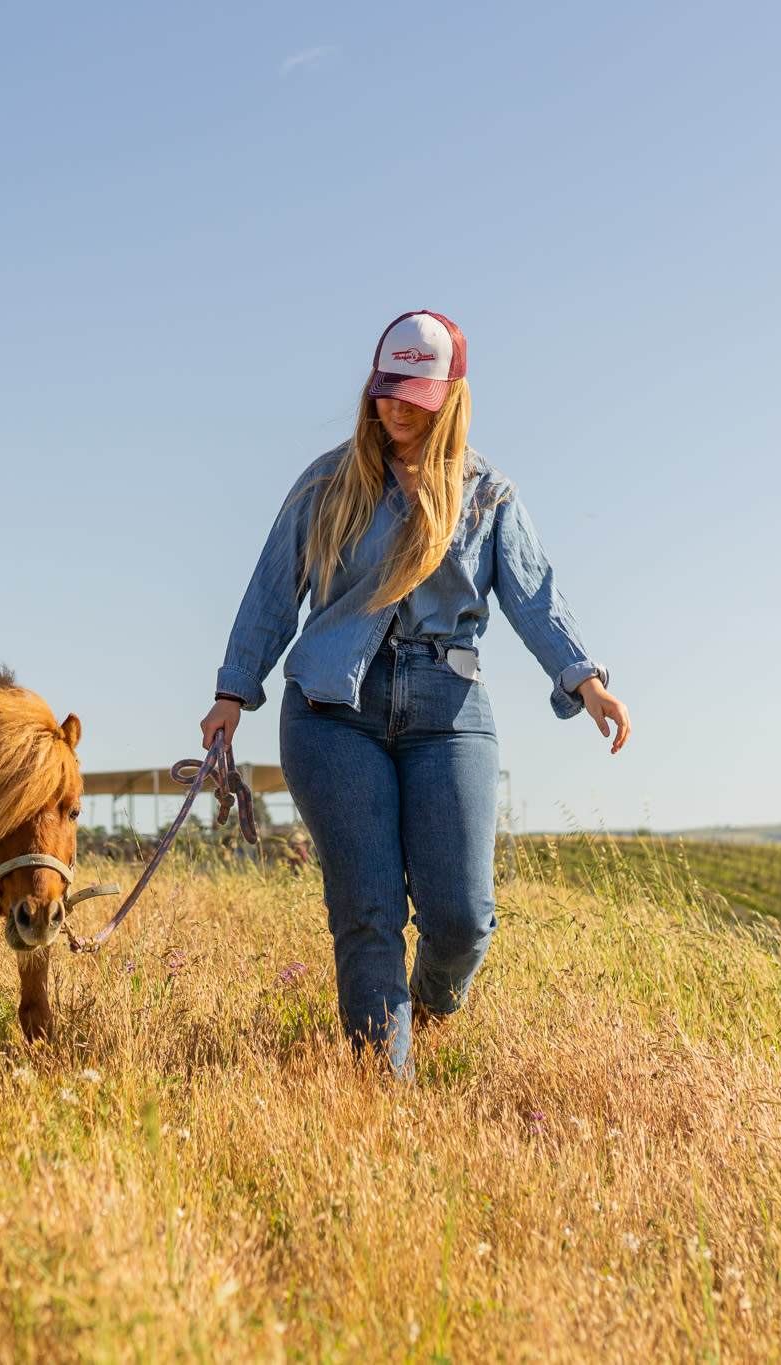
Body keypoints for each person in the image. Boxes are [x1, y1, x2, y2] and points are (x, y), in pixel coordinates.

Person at [199, 311, 631, 1076]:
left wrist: (585, 678)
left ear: (451, 396)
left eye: (416, 395)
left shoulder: (488, 494)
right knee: (367, 910)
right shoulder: (328, 482)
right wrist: (235, 690)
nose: (396, 408)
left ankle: (428, 1007)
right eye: (385, 391)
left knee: (462, 918)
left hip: (449, 710)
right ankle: (380, 1093)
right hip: (332, 711)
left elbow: (534, 596)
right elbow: (273, 589)